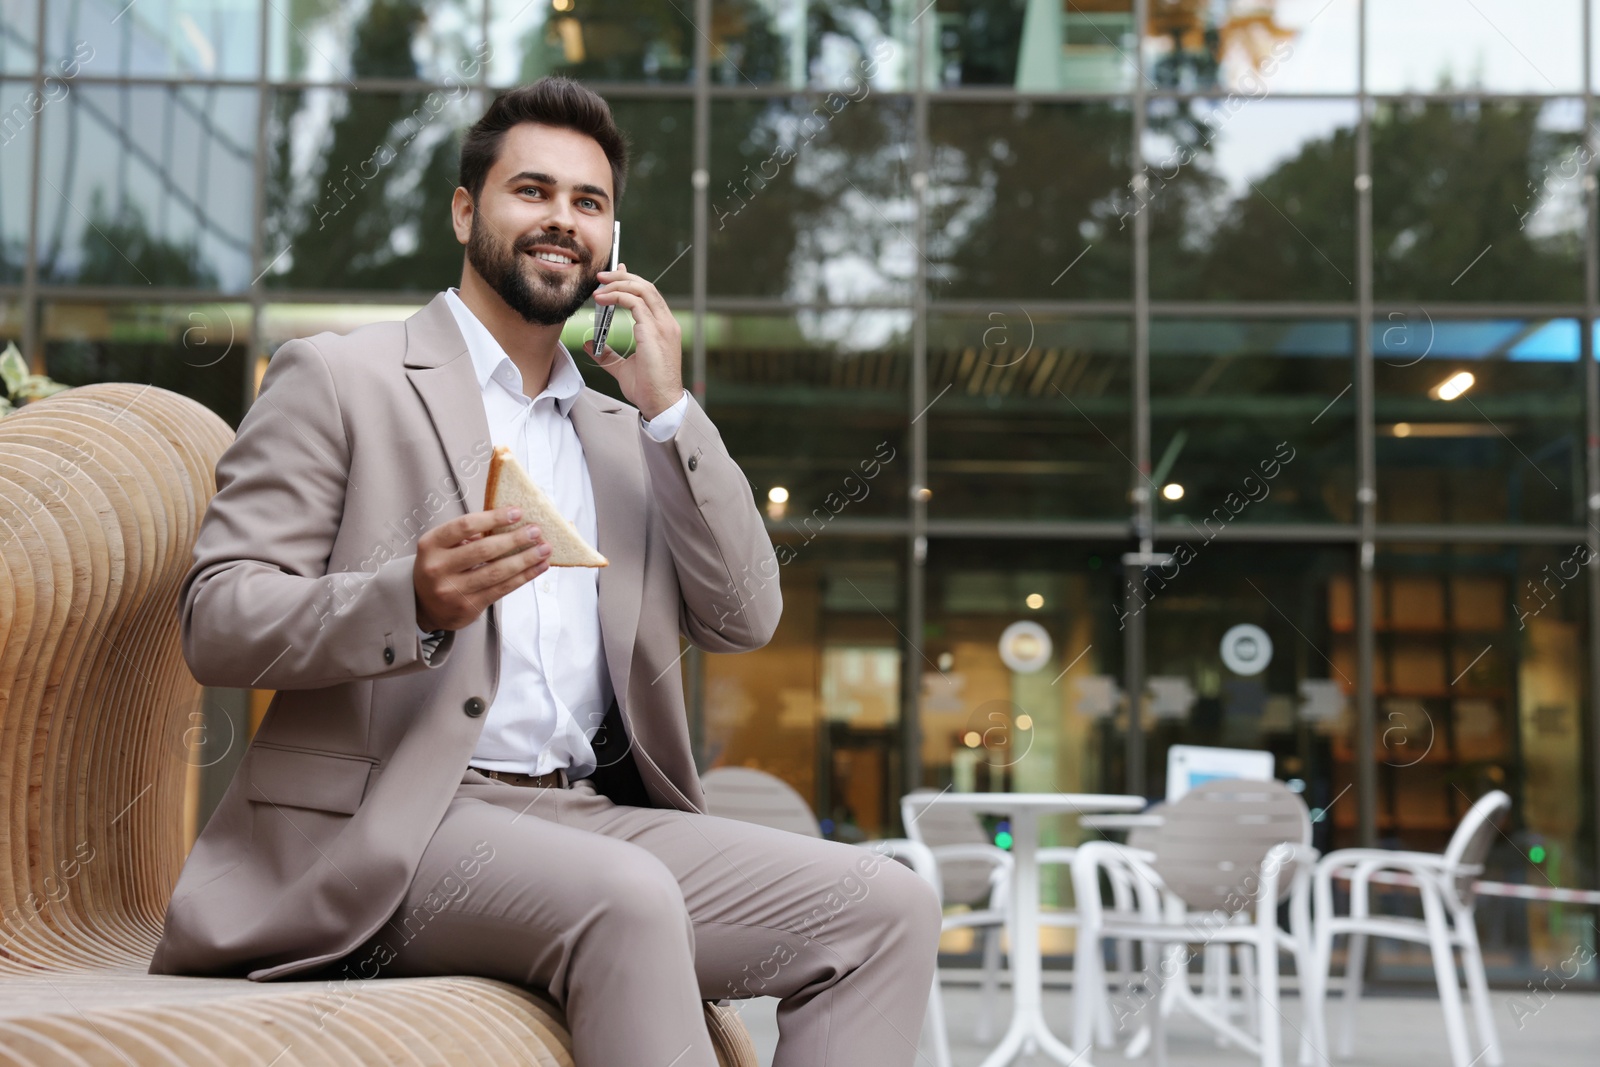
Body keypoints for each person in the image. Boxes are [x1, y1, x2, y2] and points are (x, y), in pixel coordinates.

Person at [148, 76, 942, 1067]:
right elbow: (218, 621)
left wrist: (669, 409)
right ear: (466, 209)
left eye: (589, 202)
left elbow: (745, 615)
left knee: (887, 906)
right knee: (627, 894)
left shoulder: (622, 433)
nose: (562, 219)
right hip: (391, 823)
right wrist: (410, 598)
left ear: (612, 239)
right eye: (533, 190)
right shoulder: (341, 377)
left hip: (586, 813)